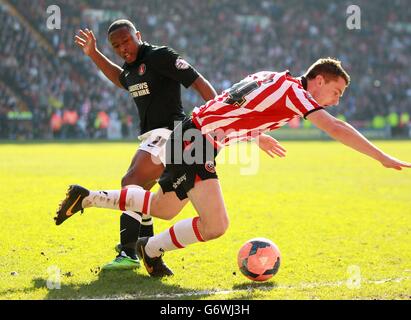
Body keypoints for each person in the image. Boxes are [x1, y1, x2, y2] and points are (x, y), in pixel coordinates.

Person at [55, 58, 411, 277]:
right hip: (197, 140)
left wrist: (256, 135)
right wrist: (380, 156)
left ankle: (106, 214)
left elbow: (235, 106)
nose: (337, 100)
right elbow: (336, 127)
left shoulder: (274, 77)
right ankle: (142, 244)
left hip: (196, 136)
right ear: (318, 80)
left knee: (165, 208)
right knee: (215, 225)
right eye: (337, 92)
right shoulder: (296, 94)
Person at [60, 19, 218, 272]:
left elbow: (197, 81)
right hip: (153, 136)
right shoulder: (131, 68)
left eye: (127, 41)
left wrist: (218, 114)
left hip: (171, 133)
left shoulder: (159, 56)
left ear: (138, 35)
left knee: (131, 183)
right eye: (116, 46)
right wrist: (94, 54)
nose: (123, 48)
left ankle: (128, 251)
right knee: (142, 193)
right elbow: (121, 79)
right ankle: (148, 250)